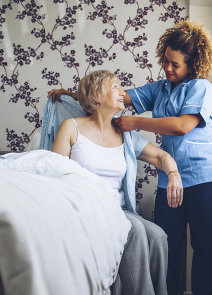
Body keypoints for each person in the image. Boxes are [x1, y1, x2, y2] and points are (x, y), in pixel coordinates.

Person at [48, 19, 212, 295]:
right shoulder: (160, 88)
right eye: (166, 61)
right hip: (169, 178)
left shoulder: (202, 88)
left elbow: (183, 126)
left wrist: (137, 123)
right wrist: (73, 95)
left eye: (175, 64)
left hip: (206, 174)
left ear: (193, 64)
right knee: (168, 242)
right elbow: (110, 96)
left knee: (204, 247)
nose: (168, 68)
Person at [51, 70, 183, 295]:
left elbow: (161, 156)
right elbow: (55, 173)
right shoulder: (71, 127)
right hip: (86, 209)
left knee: (159, 236)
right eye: (115, 87)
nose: (123, 92)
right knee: (137, 230)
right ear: (96, 94)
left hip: (118, 209)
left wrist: (173, 173)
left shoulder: (126, 135)